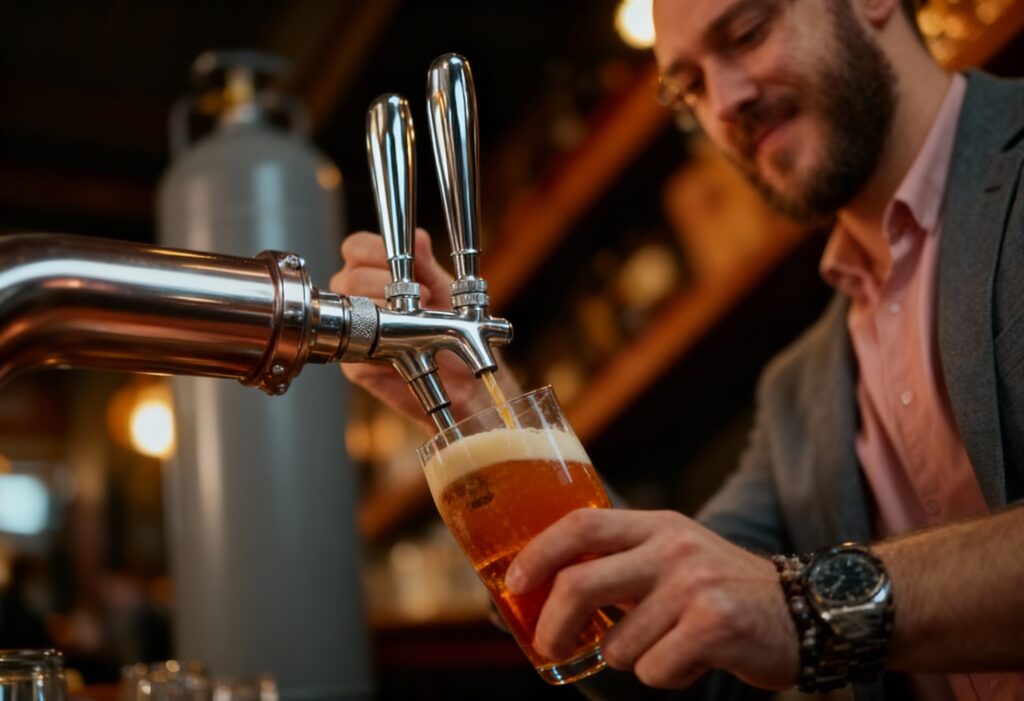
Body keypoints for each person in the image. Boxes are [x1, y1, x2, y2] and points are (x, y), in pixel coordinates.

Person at [331, 0, 1024, 698]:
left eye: (749, 31)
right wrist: (481, 405)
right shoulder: (800, 392)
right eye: (689, 86)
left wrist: (797, 604)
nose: (725, 103)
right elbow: (663, 649)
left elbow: (774, 603)